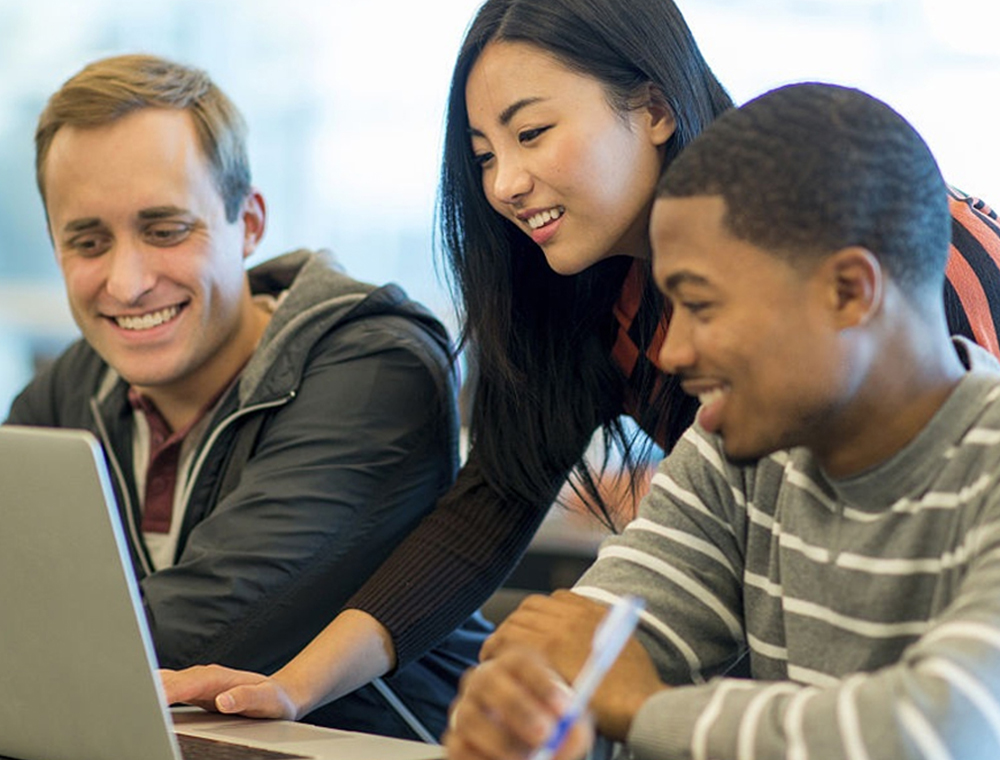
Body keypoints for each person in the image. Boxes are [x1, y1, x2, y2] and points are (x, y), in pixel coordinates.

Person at [162, 0, 1000, 726]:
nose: (503, 185)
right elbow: (500, 509)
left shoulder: (914, 273)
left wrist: (636, 699)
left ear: (655, 106)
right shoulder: (594, 299)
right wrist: (295, 687)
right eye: (485, 155)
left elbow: (939, 698)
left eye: (531, 133)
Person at [445, 82, 1000, 760]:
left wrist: (637, 706)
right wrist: (526, 711)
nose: (672, 352)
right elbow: (585, 654)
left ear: (848, 292)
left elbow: (943, 734)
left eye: (701, 306)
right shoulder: (736, 449)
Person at [4, 52, 490, 742]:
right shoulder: (70, 389)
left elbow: (193, 632)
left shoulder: (376, 366)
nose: (126, 282)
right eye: (87, 241)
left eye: (166, 229)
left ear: (250, 223)